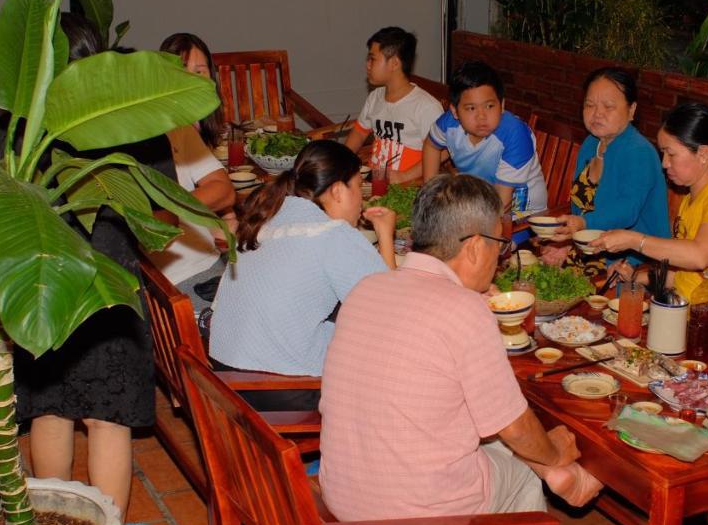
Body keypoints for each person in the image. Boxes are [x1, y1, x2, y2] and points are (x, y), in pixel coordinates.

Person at [319, 173, 631, 525]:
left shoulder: (369, 287)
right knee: (527, 467)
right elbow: (514, 426)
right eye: (501, 248)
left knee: (499, 444)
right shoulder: (462, 312)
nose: (500, 260)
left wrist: (543, 452)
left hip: (348, 497)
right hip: (419, 517)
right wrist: (555, 455)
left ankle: (560, 483)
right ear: (474, 248)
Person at [15, 14, 167, 525]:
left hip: (42, 278)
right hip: (107, 278)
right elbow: (156, 201)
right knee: (107, 420)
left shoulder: (27, 123)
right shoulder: (126, 120)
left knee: (50, 407)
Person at [209, 140, 396, 411]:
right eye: (358, 187)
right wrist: (386, 237)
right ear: (338, 191)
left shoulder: (266, 217)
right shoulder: (332, 234)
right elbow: (392, 310)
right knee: (383, 353)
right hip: (279, 389)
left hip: (225, 375)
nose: (361, 199)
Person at [592, 102, 708, 336]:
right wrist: (636, 276)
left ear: (703, 154)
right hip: (688, 313)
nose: (664, 163)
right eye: (663, 153)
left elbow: (699, 256)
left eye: (671, 153)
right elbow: (688, 275)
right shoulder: (692, 197)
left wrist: (634, 240)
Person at [543, 68, 669, 272]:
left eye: (609, 106)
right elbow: (579, 205)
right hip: (590, 250)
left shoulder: (639, 152)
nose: (597, 113)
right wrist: (566, 243)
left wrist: (582, 223)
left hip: (631, 264)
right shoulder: (590, 143)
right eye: (589, 105)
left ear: (631, 111)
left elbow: (627, 212)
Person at [154, 33, 237, 309]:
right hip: (186, 275)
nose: (192, 79)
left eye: (200, 71)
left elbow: (224, 191)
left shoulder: (181, 128)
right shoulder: (160, 127)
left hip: (207, 258)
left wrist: (169, 209)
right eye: (182, 70)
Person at [422, 61, 548, 218]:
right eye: (471, 108)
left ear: (502, 105)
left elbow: (502, 204)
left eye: (489, 106)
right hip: (479, 201)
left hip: (522, 218)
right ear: (455, 111)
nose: (481, 116)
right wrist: (430, 196)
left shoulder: (514, 133)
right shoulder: (448, 123)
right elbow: (431, 146)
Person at [342, 27, 443, 185]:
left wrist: (405, 176)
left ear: (394, 63)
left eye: (372, 59)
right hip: (376, 182)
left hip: (408, 186)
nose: (367, 65)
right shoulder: (375, 97)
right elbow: (359, 133)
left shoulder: (426, 106)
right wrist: (339, 164)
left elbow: (442, 152)